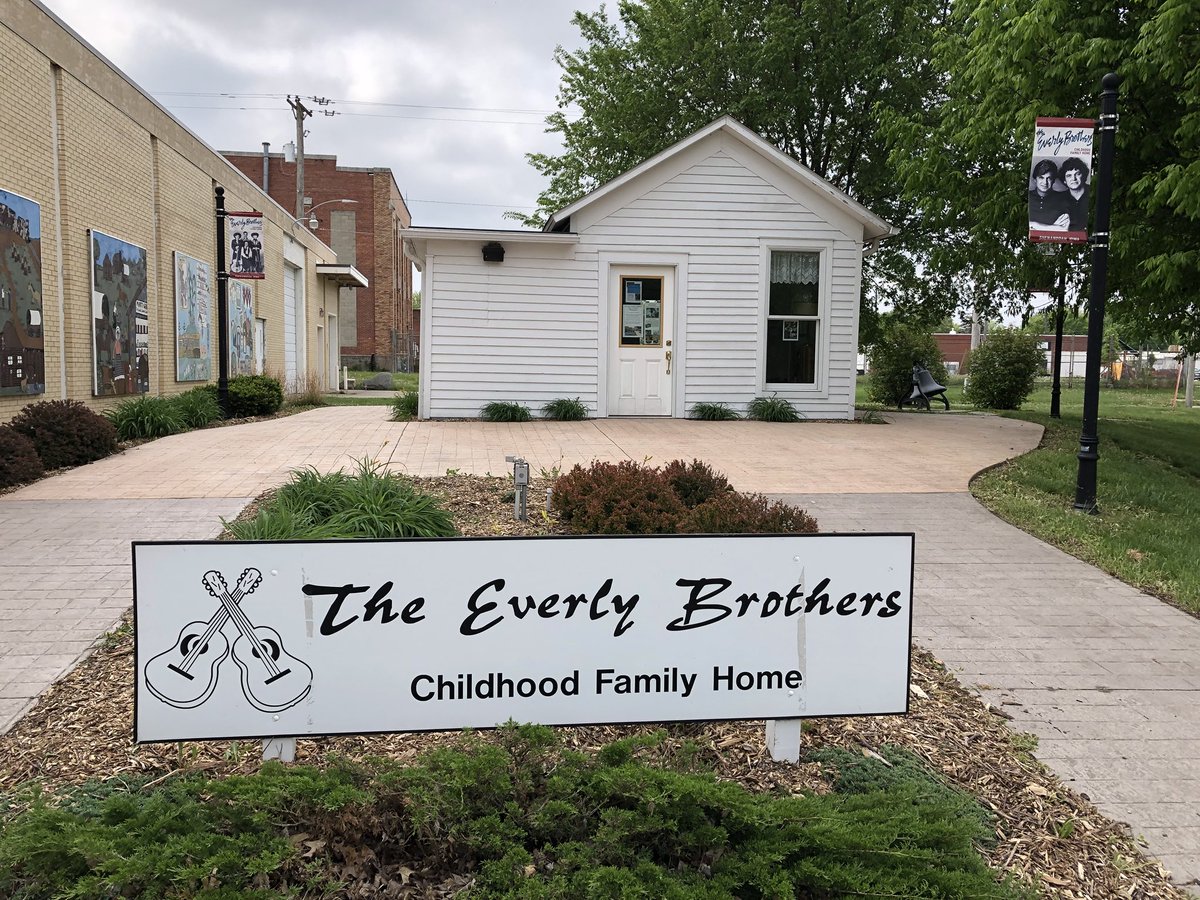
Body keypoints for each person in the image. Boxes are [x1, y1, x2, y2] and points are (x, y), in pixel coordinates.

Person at [1028, 159, 1069, 230]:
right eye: (1041, 177)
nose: (1045, 182)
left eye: (1049, 178)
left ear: (1053, 180)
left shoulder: (1063, 199)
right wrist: (1053, 227)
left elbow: (1064, 229)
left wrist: (1035, 225)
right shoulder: (1028, 197)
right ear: (1035, 179)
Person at [1059, 157, 1089, 232]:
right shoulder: (1059, 199)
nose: (1074, 178)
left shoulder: (1092, 193)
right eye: (1069, 176)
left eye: (1077, 174)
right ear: (1064, 180)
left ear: (1084, 176)